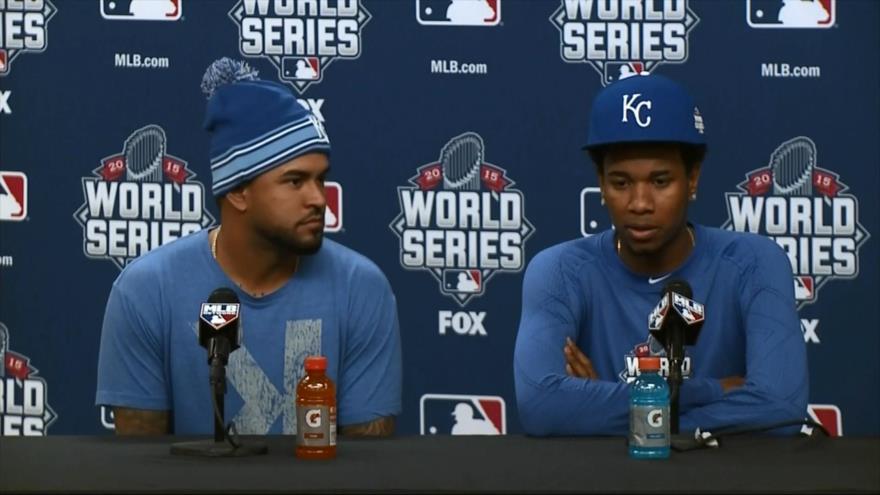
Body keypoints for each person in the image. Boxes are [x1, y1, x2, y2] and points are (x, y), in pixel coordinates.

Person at [95, 58, 402, 436]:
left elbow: (369, 463)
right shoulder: (146, 290)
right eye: (295, 181)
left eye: (320, 179)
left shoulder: (362, 288)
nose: (319, 199)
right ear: (238, 191)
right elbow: (140, 463)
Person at [513, 74, 808, 436]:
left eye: (660, 181)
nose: (640, 203)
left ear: (693, 178)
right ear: (601, 182)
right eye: (621, 183)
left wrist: (601, 404)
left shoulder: (753, 263)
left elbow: (780, 410)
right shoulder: (560, 271)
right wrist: (713, 391)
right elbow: (542, 406)